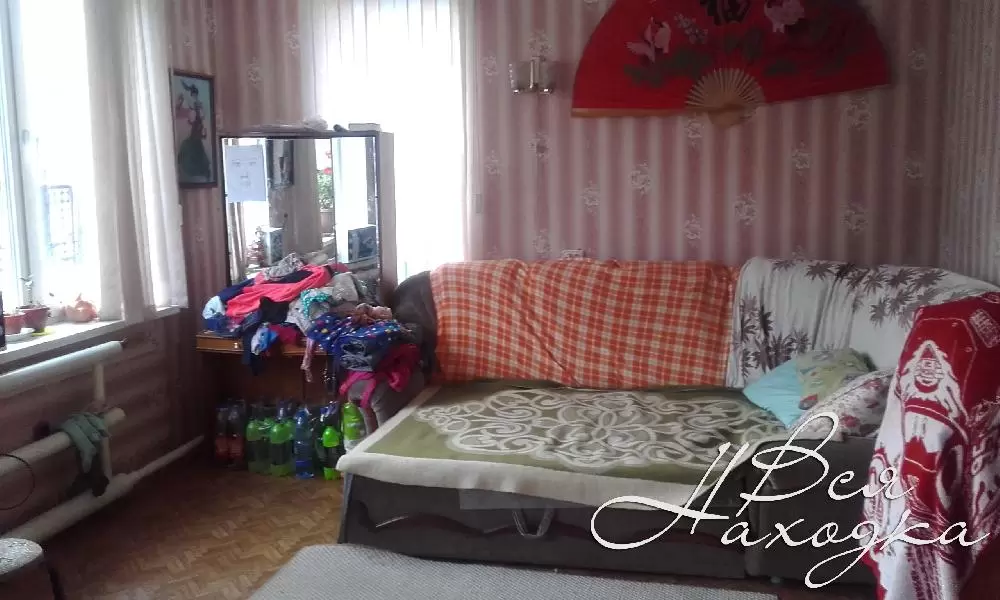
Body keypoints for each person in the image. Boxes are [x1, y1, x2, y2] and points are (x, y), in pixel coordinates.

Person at [176, 82, 212, 181]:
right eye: (192, 95)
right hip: (195, 128)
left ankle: (202, 170)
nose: (193, 96)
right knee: (191, 145)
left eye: (194, 95)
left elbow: (201, 115)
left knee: (192, 145)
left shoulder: (197, 104)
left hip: (197, 128)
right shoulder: (192, 104)